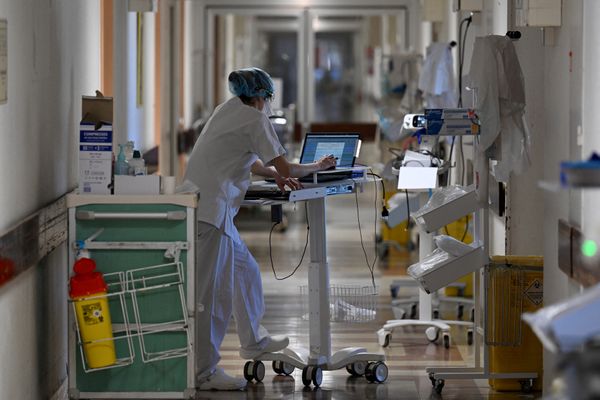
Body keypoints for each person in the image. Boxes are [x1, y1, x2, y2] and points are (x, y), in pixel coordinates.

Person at [179, 67, 336, 391]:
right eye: (267, 98)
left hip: (210, 209)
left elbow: (250, 162)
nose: (267, 103)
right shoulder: (255, 119)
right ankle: (204, 373)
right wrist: (318, 167)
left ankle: (254, 340)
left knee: (246, 270)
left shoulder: (228, 110)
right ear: (262, 96)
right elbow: (288, 167)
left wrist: (275, 175)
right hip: (210, 213)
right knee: (212, 295)